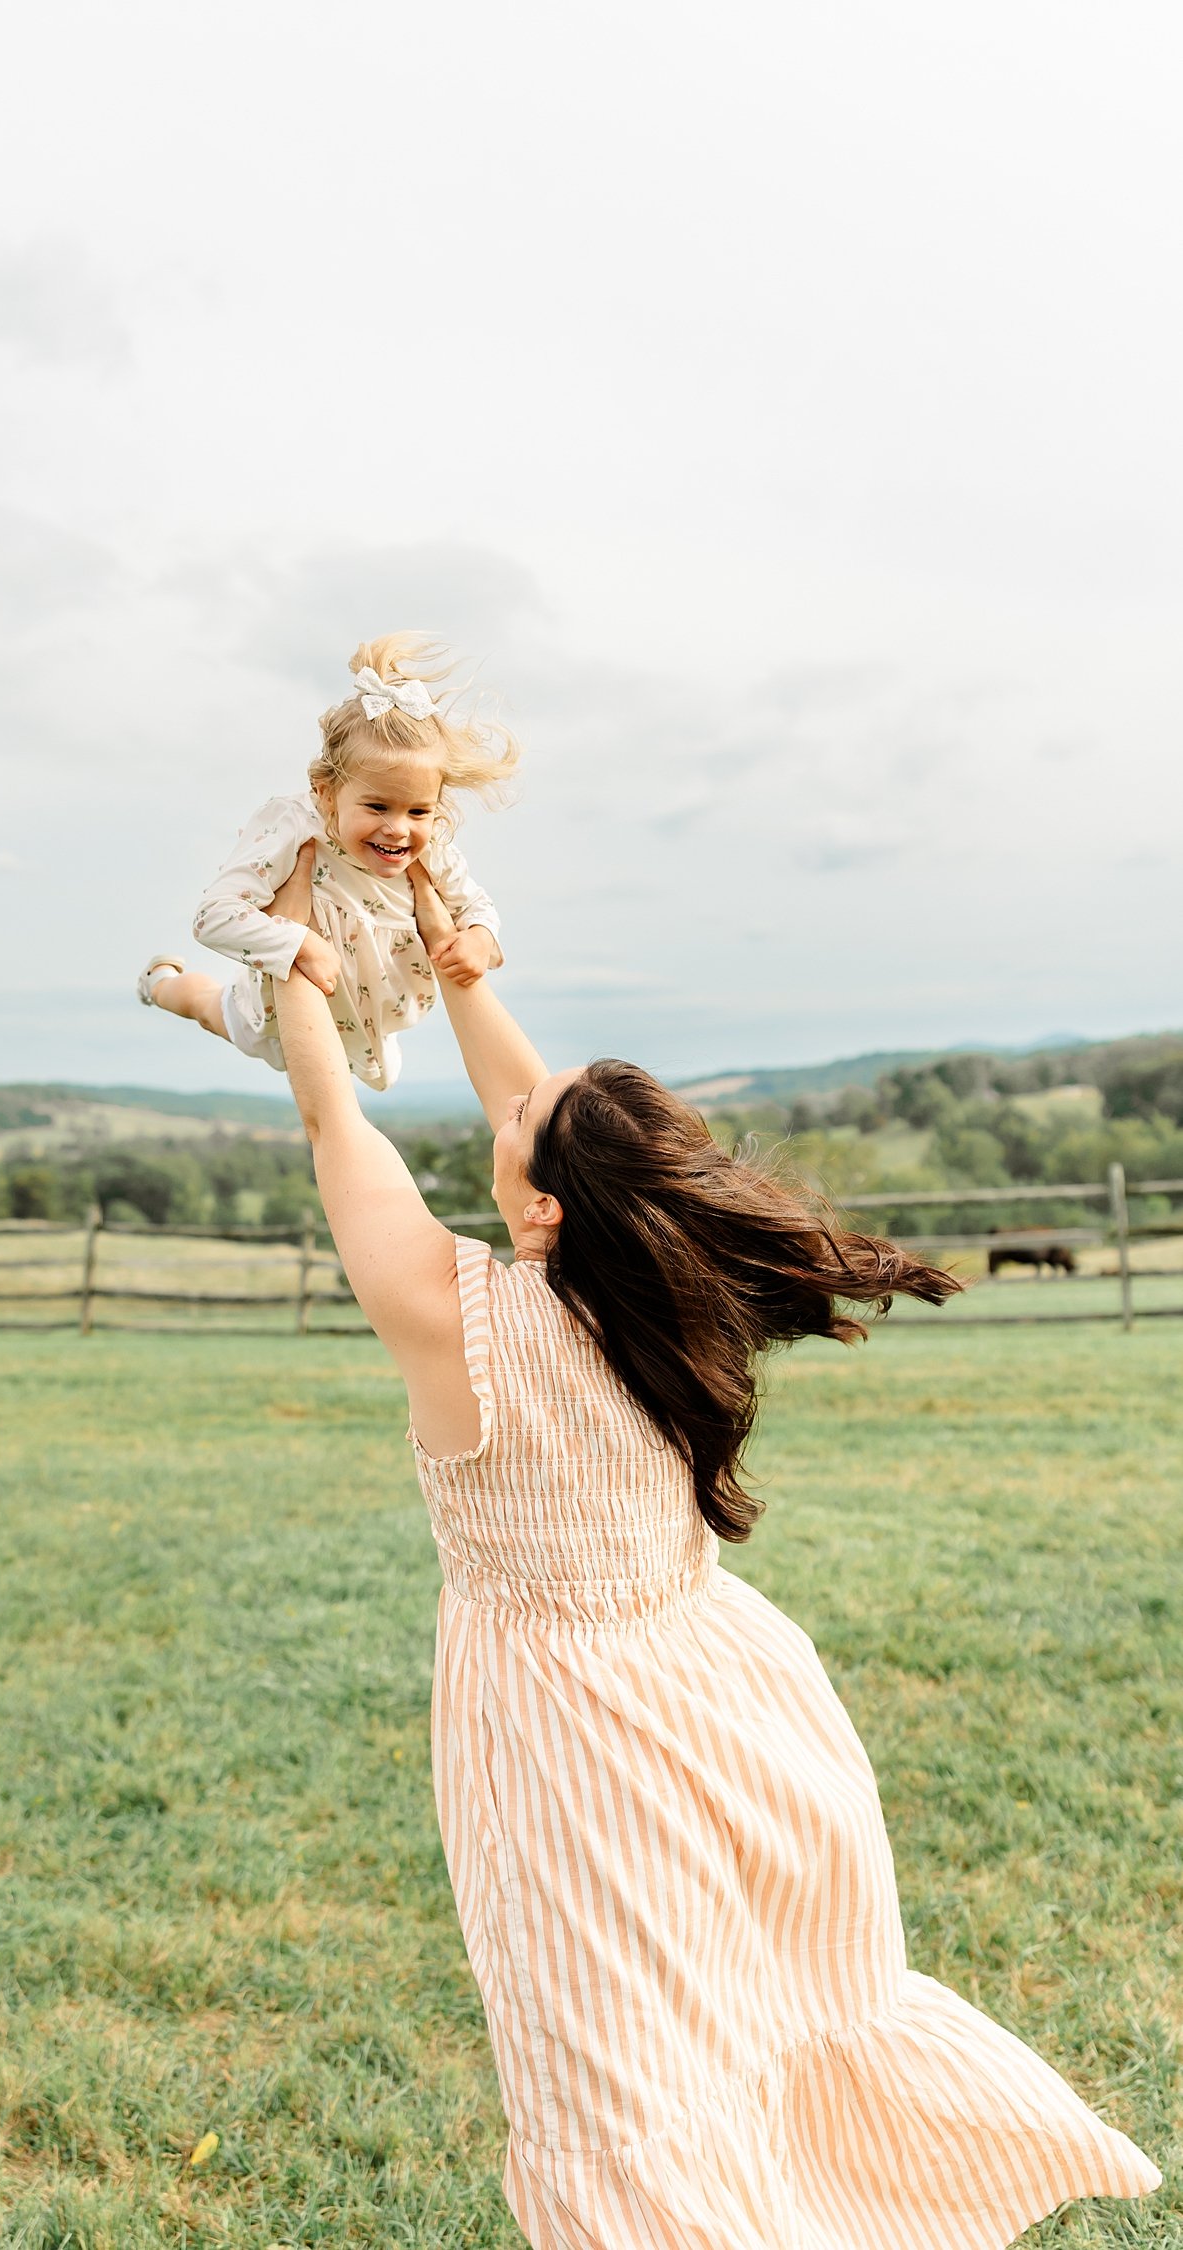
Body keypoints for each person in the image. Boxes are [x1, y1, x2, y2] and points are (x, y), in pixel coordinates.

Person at [261, 844, 1161, 2249]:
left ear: (546, 1201)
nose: (504, 1109)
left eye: (517, 1126)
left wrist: (295, 980)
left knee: (617, 2070)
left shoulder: (467, 1324)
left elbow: (339, 1132)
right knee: (757, 2019)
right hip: (727, 1690)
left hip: (571, 1735)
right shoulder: (675, 1297)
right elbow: (539, 1121)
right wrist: (457, 972)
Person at [135, 634, 516, 1090]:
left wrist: (477, 937)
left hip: (371, 1019)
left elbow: (477, 906)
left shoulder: (434, 849)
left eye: (417, 810)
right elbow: (212, 916)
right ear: (326, 791)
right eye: (377, 807)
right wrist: (298, 942)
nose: (398, 828)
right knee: (205, 1006)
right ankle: (159, 981)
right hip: (274, 1010)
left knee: (386, 1075)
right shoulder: (292, 825)